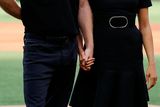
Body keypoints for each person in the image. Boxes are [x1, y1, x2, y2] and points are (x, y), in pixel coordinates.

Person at [0, 0, 94, 107]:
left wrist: (88, 46)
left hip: (68, 47)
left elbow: (82, 4)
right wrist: (26, 15)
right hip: (39, 46)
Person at [70, 0, 158, 107]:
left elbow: (144, 26)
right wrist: (84, 50)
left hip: (130, 53)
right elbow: (81, 15)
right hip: (99, 50)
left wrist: (151, 64)